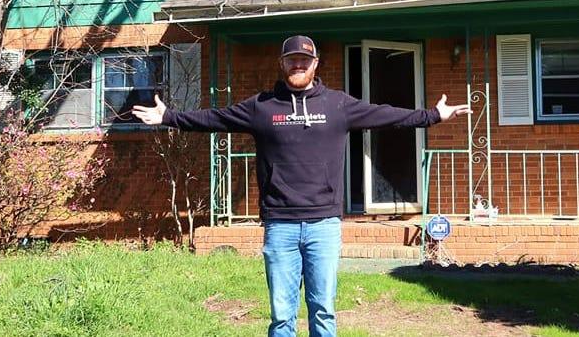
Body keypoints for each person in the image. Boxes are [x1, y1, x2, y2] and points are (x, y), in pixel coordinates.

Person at [132, 34, 470, 337]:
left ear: (315, 64)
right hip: (280, 224)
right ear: (282, 64)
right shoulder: (261, 107)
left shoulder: (338, 105)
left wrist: (431, 116)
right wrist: (169, 117)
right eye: (292, 59)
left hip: (324, 224)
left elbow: (385, 115)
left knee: (323, 312)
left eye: (304, 60)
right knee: (282, 317)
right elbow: (215, 118)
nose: (298, 64)